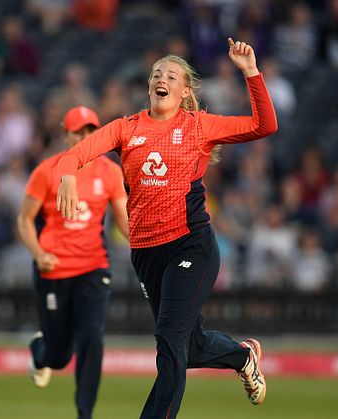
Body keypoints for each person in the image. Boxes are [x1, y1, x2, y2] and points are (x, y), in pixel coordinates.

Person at [55, 38, 277, 418]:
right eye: (157, 74)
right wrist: (67, 177)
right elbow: (73, 155)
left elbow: (264, 124)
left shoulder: (198, 126)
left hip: (191, 246)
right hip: (146, 254)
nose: (162, 78)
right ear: (150, 87)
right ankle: (242, 356)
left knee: (169, 340)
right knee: (187, 348)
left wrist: (251, 73)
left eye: (171, 75)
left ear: (184, 92)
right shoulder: (126, 128)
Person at [17, 106, 129, 419]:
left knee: (92, 335)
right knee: (57, 355)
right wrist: (39, 254)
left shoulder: (110, 172)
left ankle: (84, 413)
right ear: (66, 134)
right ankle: (39, 353)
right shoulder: (46, 171)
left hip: (93, 267)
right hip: (53, 270)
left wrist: (153, 240)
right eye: (77, 131)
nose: (84, 137)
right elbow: (24, 220)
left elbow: (124, 223)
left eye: (90, 131)